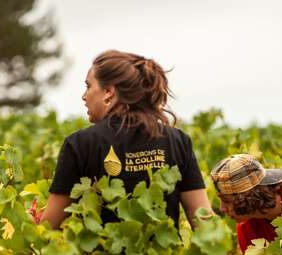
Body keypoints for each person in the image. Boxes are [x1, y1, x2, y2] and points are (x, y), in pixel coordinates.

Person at [41, 50, 211, 229]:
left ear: (108, 92)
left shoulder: (80, 144)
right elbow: (204, 223)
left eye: (88, 86)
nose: (84, 96)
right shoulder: (177, 140)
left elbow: (49, 226)